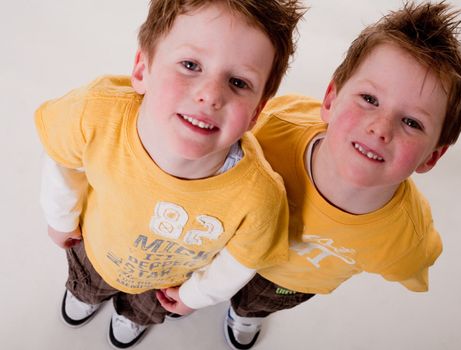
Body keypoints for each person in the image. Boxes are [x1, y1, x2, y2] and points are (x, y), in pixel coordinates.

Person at [34, 0, 305, 348]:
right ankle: (87, 294)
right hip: (94, 244)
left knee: (143, 308)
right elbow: (63, 159)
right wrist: (60, 217)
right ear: (142, 69)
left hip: (165, 281)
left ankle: (131, 317)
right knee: (88, 280)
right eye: (191, 65)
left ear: (256, 113)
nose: (210, 95)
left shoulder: (259, 196)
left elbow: (241, 260)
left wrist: (197, 295)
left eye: (238, 82)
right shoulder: (95, 113)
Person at [223, 2, 461, 349]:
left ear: (432, 156)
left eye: (411, 122)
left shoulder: (406, 236)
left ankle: (246, 314)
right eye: (369, 99)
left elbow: (414, 262)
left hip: (291, 281)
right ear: (330, 100)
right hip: (230, 242)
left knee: (258, 301)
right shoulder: (273, 126)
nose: (380, 128)